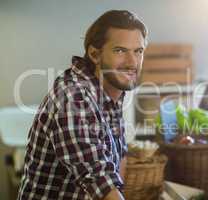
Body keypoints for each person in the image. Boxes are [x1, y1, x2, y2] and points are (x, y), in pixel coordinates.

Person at [17, 10, 148, 200]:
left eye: (138, 51)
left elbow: (117, 165)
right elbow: (102, 182)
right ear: (94, 54)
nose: (132, 62)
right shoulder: (72, 97)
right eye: (120, 50)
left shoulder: (111, 92)